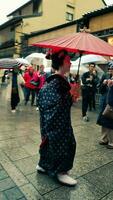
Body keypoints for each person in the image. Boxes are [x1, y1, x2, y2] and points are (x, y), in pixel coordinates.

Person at [36, 49, 77, 186]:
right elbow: (55, 105)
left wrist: (70, 97)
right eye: (68, 61)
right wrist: (69, 97)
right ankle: (60, 172)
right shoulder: (56, 83)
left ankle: (43, 165)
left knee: (48, 142)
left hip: (56, 122)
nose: (70, 63)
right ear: (61, 63)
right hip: (57, 123)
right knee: (62, 143)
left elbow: (61, 101)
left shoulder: (58, 81)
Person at [97, 65, 113, 148]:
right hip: (104, 100)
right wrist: (103, 84)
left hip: (111, 102)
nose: (110, 70)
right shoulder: (105, 76)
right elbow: (99, 89)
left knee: (110, 121)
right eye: (109, 69)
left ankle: (111, 141)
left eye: (112, 69)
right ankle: (104, 139)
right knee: (104, 120)